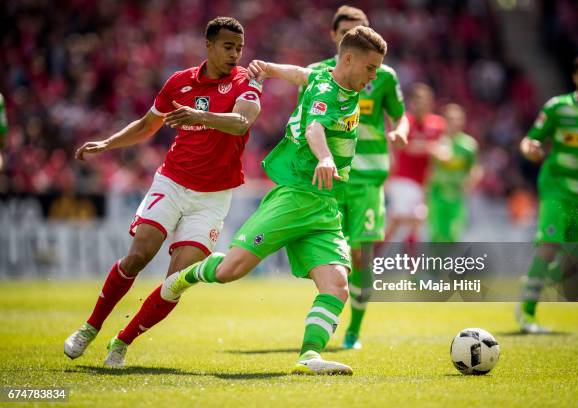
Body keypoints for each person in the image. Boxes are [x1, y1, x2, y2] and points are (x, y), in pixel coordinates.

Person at [159, 26, 388, 375]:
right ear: (349, 58)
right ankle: (183, 278)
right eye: (371, 68)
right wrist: (325, 157)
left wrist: (269, 67)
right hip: (296, 196)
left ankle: (309, 356)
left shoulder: (328, 76)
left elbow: (302, 74)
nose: (373, 77)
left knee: (338, 285)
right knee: (230, 271)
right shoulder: (328, 91)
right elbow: (314, 128)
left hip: (325, 205)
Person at [63, 17, 264, 365]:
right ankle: (89, 327)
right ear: (210, 45)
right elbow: (146, 125)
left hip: (212, 199)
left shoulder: (247, 81)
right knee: (138, 255)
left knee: (177, 282)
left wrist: (200, 116)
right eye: (228, 47)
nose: (235, 54)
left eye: (239, 48)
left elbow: (242, 122)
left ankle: (122, 341)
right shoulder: (179, 82)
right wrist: (107, 144)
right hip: (171, 182)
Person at [297, 5, 408, 350]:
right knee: (334, 255)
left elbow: (400, 117)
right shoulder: (317, 74)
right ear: (335, 36)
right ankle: (326, 318)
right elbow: (307, 122)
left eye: (361, 28)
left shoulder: (383, 76)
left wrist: (401, 132)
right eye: (348, 29)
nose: (355, 33)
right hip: (331, 179)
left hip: (369, 178)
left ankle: (354, 331)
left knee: (362, 254)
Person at [517, 51, 578, 333]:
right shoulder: (558, 108)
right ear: (575, 77)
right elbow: (531, 139)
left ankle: (536, 281)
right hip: (556, 187)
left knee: (573, 260)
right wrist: (530, 150)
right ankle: (527, 313)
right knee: (550, 244)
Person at [386, 83, 445, 243]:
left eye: (425, 100)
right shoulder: (405, 122)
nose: (421, 104)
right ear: (411, 102)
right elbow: (402, 146)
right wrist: (429, 148)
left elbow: (444, 149)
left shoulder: (438, 124)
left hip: (425, 183)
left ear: (431, 102)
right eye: (417, 100)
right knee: (414, 218)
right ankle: (404, 261)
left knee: (405, 223)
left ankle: (379, 255)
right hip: (403, 179)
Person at [427, 104, 481, 242]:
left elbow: (475, 168)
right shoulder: (436, 141)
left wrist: (471, 181)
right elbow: (428, 169)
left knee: (453, 236)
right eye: (450, 119)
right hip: (437, 195)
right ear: (444, 120)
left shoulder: (468, 145)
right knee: (437, 236)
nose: (454, 123)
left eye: (458, 119)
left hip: (457, 197)